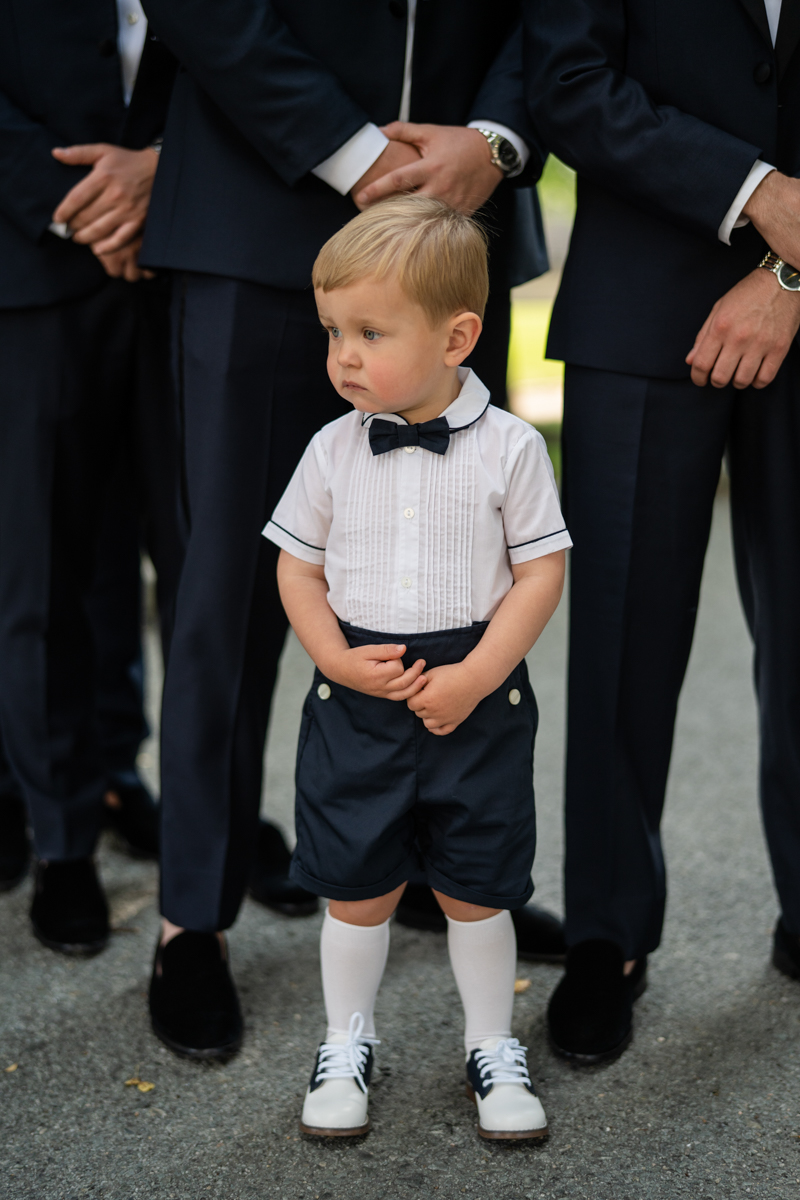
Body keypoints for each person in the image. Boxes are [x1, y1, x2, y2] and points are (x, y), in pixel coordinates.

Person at [140, 0, 562, 1062]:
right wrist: (349, 151)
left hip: (454, 221)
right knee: (224, 594)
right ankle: (194, 912)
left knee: (451, 572)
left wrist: (495, 141)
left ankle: (429, 863)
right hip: (257, 201)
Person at [524, 0, 800, 1063]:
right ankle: (605, 934)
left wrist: (788, 274)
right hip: (640, 304)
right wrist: (757, 196)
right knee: (619, 636)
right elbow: (565, 82)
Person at [265, 196, 571, 1139]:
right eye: (332, 331)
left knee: (477, 885)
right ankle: (346, 1040)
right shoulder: (330, 448)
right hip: (357, 689)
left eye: (368, 331)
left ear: (458, 336)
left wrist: (479, 673)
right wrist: (332, 658)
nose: (343, 354)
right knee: (355, 887)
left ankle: (492, 1046)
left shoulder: (511, 448)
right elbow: (297, 565)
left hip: (476, 692)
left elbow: (541, 569)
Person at [0, 2, 179, 951]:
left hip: (191, 247)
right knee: (42, 568)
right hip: (30, 257)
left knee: (175, 550)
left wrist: (166, 183)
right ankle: (60, 837)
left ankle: (130, 776)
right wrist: (90, 208)